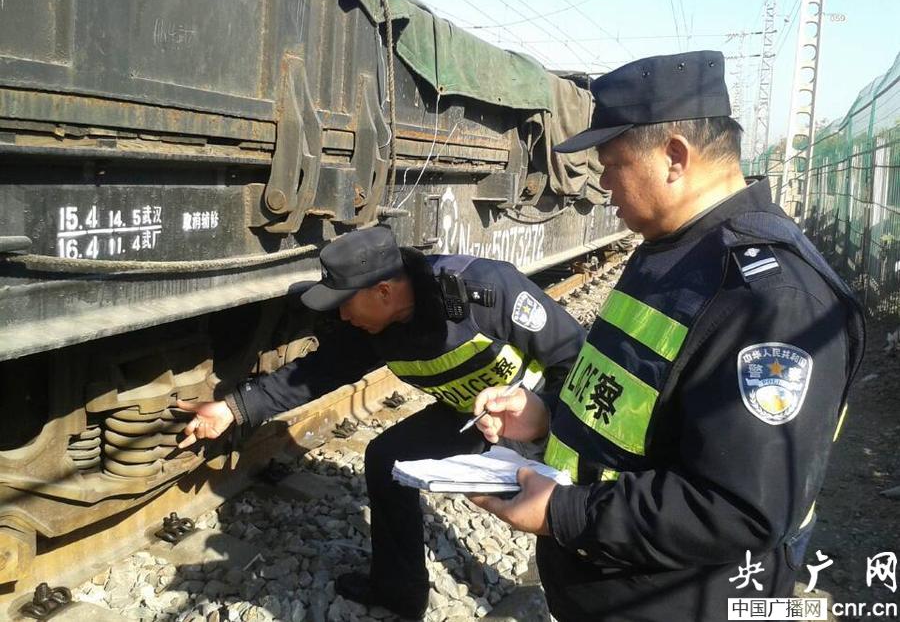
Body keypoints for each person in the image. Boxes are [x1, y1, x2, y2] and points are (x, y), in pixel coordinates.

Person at [468, 50, 866, 621]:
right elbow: (643, 400)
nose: (603, 184)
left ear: (674, 157)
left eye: (611, 164)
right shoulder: (672, 249)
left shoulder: (771, 300)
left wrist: (562, 512)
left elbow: (738, 508)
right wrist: (547, 416)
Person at [176, 225, 586, 619]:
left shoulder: (486, 290)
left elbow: (576, 358)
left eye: (345, 302)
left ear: (384, 291)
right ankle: (400, 593)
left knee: (566, 523)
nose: (342, 315)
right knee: (387, 459)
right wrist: (233, 409)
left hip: (548, 419)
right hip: (471, 418)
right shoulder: (374, 326)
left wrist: (543, 417)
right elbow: (318, 371)